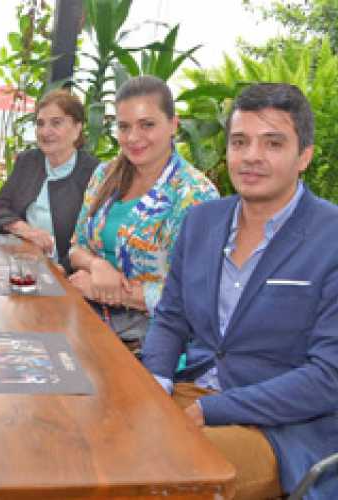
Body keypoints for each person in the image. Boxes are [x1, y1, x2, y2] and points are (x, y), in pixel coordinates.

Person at [142, 83, 338, 499]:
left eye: (273, 143)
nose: (251, 156)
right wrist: (156, 383)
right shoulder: (202, 222)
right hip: (192, 392)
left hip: (282, 428)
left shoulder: (331, 237)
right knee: (95, 436)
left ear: (304, 156)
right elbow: (171, 317)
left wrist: (211, 409)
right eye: (239, 142)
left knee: (159, 473)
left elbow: (328, 377)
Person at [67, 75, 218, 347]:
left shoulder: (196, 196)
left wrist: (109, 292)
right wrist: (96, 265)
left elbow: (193, 297)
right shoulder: (104, 174)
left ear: (173, 125)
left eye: (147, 125)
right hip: (87, 319)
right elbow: (76, 247)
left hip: (154, 342)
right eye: (124, 127)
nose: (133, 137)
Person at [0, 88, 99, 273]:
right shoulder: (28, 161)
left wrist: (62, 270)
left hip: (68, 275)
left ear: (77, 128)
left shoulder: (94, 173)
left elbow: (94, 241)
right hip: (23, 263)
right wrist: (25, 230)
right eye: (40, 123)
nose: (45, 131)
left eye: (56, 123)